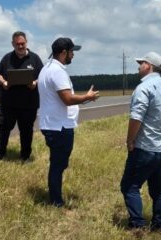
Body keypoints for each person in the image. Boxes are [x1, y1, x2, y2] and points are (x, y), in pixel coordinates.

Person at [38, 37, 100, 207]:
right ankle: (56, 201)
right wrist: (87, 97)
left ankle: (54, 196)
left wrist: (84, 99)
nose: (73, 55)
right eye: (72, 52)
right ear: (63, 52)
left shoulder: (46, 68)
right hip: (59, 126)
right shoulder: (58, 72)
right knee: (58, 164)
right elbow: (67, 99)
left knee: (58, 163)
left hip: (52, 123)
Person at [120, 51, 161, 232]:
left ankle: (137, 225)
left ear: (148, 66)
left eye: (141, 63)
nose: (138, 66)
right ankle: (159, 225)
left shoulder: (144, 88)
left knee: (129, 186)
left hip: (145, 148)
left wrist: (130, 140)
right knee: (158, 189)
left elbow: (136, 117)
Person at [0, 31, 43, 162]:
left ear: (26, 42)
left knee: (26, 130)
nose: (20, 46)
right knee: (3, 129)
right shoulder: (6, 58)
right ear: (12, 44)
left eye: (22, 43)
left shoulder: (35, 59)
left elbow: (43, 77)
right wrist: (3, 82)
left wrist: (35, 83)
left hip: (28, 103)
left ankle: (25, 155)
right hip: (8, 103)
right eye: (17, 44)